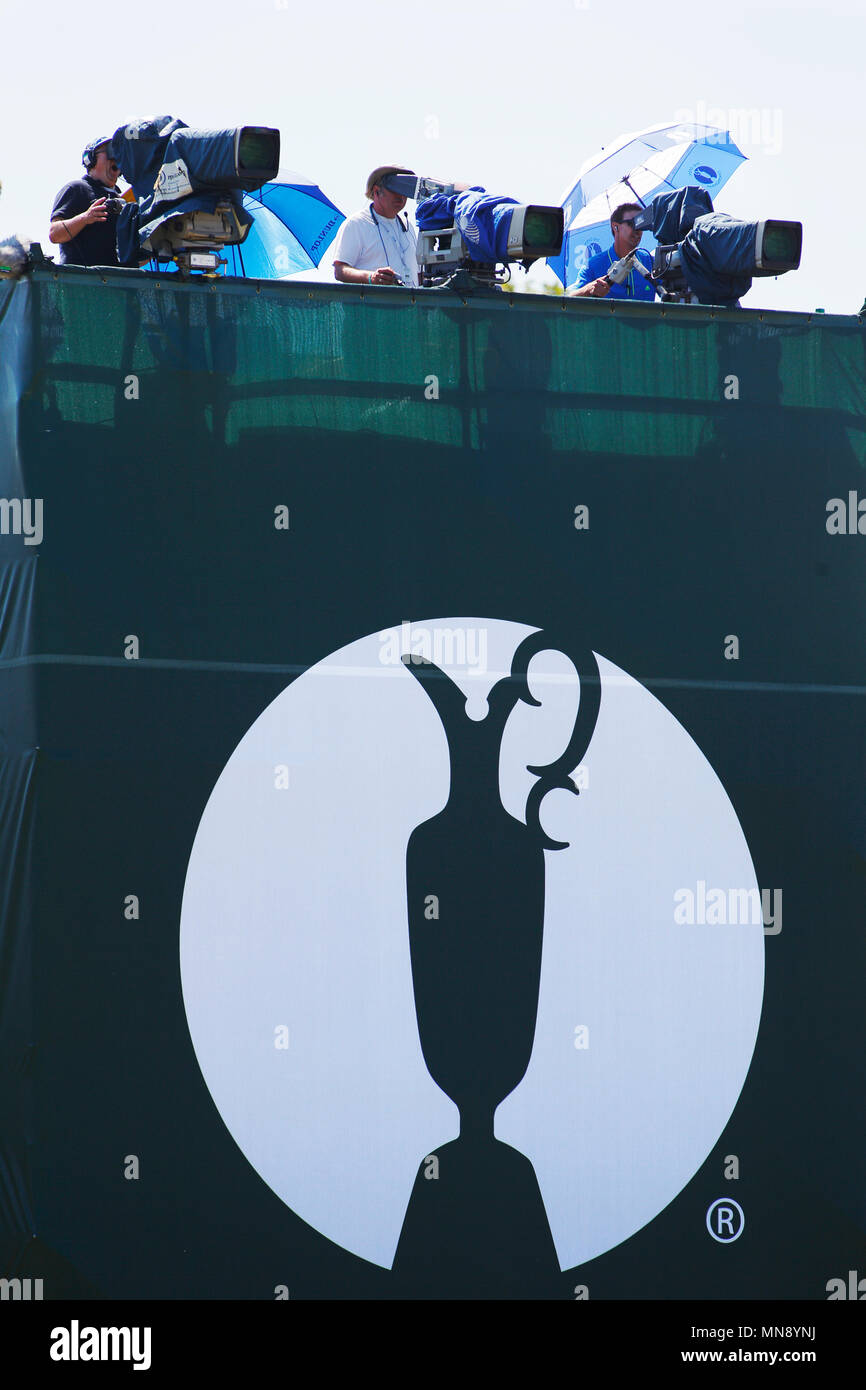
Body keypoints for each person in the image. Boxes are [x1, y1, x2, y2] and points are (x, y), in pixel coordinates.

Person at [333, 166, 419, 287]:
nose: (401, 196)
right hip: (370, 304)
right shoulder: (356, 223)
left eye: (404, 190)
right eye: (395, 189)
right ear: (376, 191)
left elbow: (419, 273)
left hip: (411, 304)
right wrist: (371, 277)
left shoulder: (408, 226)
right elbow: (340, 270)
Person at [49, 137, 124, 267]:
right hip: (81, 282)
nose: (115, 156)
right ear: (91, 159)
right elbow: (55, 234)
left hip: (116, 283)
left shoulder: (124, 200)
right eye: (110, 150)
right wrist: (85, 218)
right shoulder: (77, 188)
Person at [568, 203, 654, 300]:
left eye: (641, 223)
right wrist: (588, 289)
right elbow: (568, 298)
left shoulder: (651, 262)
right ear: (615, 227)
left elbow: (671, 295)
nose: (638, 229)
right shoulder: (593, 265)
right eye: (632, 223)